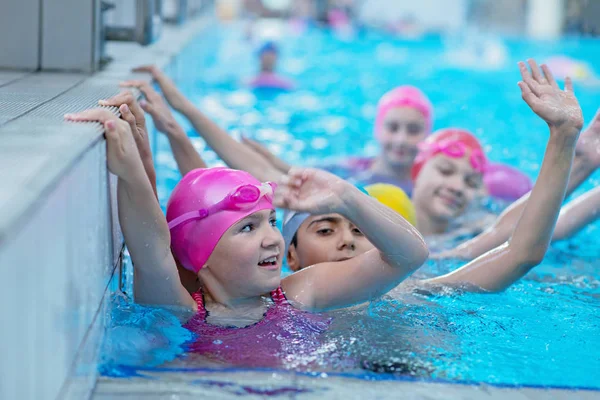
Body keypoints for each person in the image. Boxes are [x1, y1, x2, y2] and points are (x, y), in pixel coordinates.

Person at [119, 59, 585, 294]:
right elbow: (203, 227)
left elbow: (520, 251)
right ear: (292, 253)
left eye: (361, 230)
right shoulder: (281, 291)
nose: (348, 241)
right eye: (327, 228)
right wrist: (159, 142)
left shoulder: (411, 293)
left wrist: (563, 139)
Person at [65, 105, 429, 368]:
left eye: (271, 221)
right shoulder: (178, 308)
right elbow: (151, 247)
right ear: (201, 255)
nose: (273, 238)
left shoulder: (301, 293)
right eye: (248, 227)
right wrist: (131, 169)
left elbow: (409, 256)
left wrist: (347, 197)